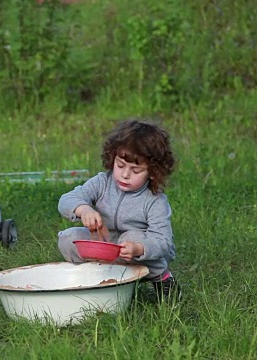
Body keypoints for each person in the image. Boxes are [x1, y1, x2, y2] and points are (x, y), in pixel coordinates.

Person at [57, 119, 181, 303]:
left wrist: (139, 249)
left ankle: (161, 279)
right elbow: (66, 200)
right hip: (103, 242)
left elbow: (163, 241)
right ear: (112, 157)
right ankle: (94, 275)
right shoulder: (102, 182)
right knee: (68, 238)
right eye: (120, 165)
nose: (125, 174)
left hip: (132, 251)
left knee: (130, 238)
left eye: (135, 170)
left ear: (153, 172)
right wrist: (84, 210)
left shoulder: (155, 200)